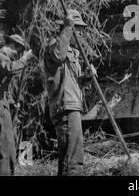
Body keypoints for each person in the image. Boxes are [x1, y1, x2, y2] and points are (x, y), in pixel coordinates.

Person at [44, 9, 95, 176]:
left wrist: (86, 77)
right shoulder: (54, 46)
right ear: (69, 28)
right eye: (77, 29)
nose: (80, 33)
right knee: (71, 159)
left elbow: (76, 82)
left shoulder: (73, 53)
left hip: (73, 106)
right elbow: (59, 55)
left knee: (74, 155)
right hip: (64, 107)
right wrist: (68, 28)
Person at [0, 34, 33, 175]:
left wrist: (10, 102)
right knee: (6, 151)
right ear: (12, 46)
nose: (17, 55)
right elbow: (11, 69)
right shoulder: (0, 58)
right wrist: (24, 59)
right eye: (17, 51)